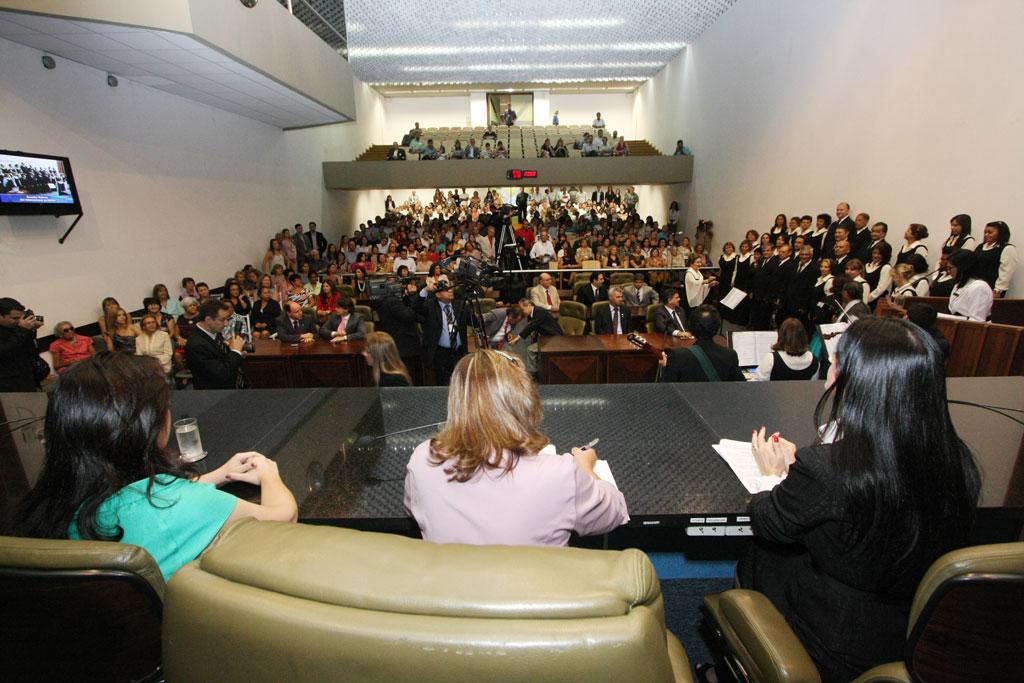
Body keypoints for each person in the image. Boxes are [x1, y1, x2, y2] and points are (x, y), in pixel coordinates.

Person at [743, 317, 980, 682]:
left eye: (837, 362)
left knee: (760, 553)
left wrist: (773, 475)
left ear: (854, 381)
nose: (830, 368)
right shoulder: (958, 457)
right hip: (918, 628)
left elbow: (768, 521)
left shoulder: (826, 468)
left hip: (837, 642)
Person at [8, 353, 297, 581]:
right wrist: (269, 473)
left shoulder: (48, 502)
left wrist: (214, 477)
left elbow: (134, 498)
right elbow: (282, 521)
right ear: (150, 425)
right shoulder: (182, 506)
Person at [404, 349, 629, 546]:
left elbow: (413, 508)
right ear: (525, 399)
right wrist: (588, 470)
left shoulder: (423, 458)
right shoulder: (560, 473)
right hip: (534, 593)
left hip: (454, 592)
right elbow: (614, 513)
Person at [659, 305, 744, 382]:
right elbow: (740, 385)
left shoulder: (678, 356)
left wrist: (666, 368)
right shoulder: (730, 355)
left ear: (691, 328)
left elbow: (665, 390)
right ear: (717, 328)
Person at [415, 280, 470, 385]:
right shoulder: (430, 306)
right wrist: (425, 290)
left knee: (460, 381)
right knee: (442, 381)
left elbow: (473, 321)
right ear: (438, 294)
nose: (450, 291)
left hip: (458, 351)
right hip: (440, 352)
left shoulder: (460, 305)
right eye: (446, 290)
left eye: (450, 289)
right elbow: (415, 307)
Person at [184, 300, 246, 390]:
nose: (226, 324)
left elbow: (220, 355)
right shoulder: (197, 344)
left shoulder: (213, 331)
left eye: (227, 319)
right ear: (208, 320)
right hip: (213, 395)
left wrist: (238, 353)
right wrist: (235, 352)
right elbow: (220, 373)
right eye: (222, 320)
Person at [0, 298, 45, 391]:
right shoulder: (19, 329)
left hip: (28, 377)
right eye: (14, 318)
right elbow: (5, 352)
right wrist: (22, 330)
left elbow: (29, 348)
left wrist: (32, 329)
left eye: (20, 318)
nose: (19, 321)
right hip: (8, 384)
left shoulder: (17, 327)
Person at [754, 318, 819, 381]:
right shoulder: (814, 360)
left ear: (781, 336)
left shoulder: (771, 359)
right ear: (803, 336)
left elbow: (756, 384)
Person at [947, 250, 993, 321]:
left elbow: (977, 320)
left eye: (950, 268)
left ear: (963, 268)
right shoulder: (959, 284)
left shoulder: (979, 287)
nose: (948, 271)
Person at [975, 220, 1017, 297]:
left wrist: (998, 290)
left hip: (992, 289)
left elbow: (1006, 272)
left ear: (1001, 234)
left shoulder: (1007, 248)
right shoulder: (980, 247)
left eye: (990, 232)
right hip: (977, 287)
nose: (986, 234)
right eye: (985, 232)